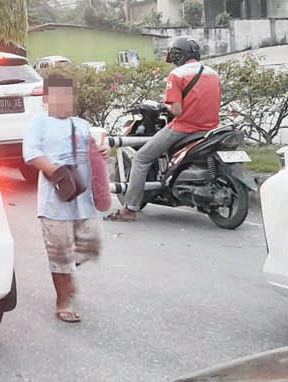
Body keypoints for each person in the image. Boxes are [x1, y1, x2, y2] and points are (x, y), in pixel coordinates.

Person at [105, 36, 221, 222]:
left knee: (142, 158)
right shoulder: (213, 73)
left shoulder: (177, 75)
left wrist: (165, 106)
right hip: (211, 128)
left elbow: (176, 109)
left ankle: (129, 209)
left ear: (177, 56)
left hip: (184, 128)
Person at [23, 74, 107, 323]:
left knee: (89, 247)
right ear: (47, 98)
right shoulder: (39, 123)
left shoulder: (81, 124)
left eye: (68, 96)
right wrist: (57, 174)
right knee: (59, 253)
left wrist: (103, 151)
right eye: (58, 96)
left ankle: (68, 272)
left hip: (84, 200)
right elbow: (31, 153)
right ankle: (63, 300)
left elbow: (94, 151)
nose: (64, 101)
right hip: (55, 200)